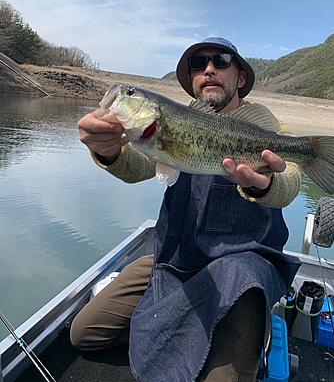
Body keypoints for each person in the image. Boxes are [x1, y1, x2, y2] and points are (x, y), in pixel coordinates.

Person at [71, 37, 302, 382]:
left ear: (240, 78)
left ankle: (245, 339)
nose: (208, 69)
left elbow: (292, 180)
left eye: (221, 60)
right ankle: (183, 341)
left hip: (244, 265)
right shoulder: (173, 123)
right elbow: (135, 167)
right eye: (198, 64)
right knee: (85, 334)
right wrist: (109, 152)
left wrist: (267, 183)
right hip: (178, 259)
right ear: (191, 81)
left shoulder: (269, 129)